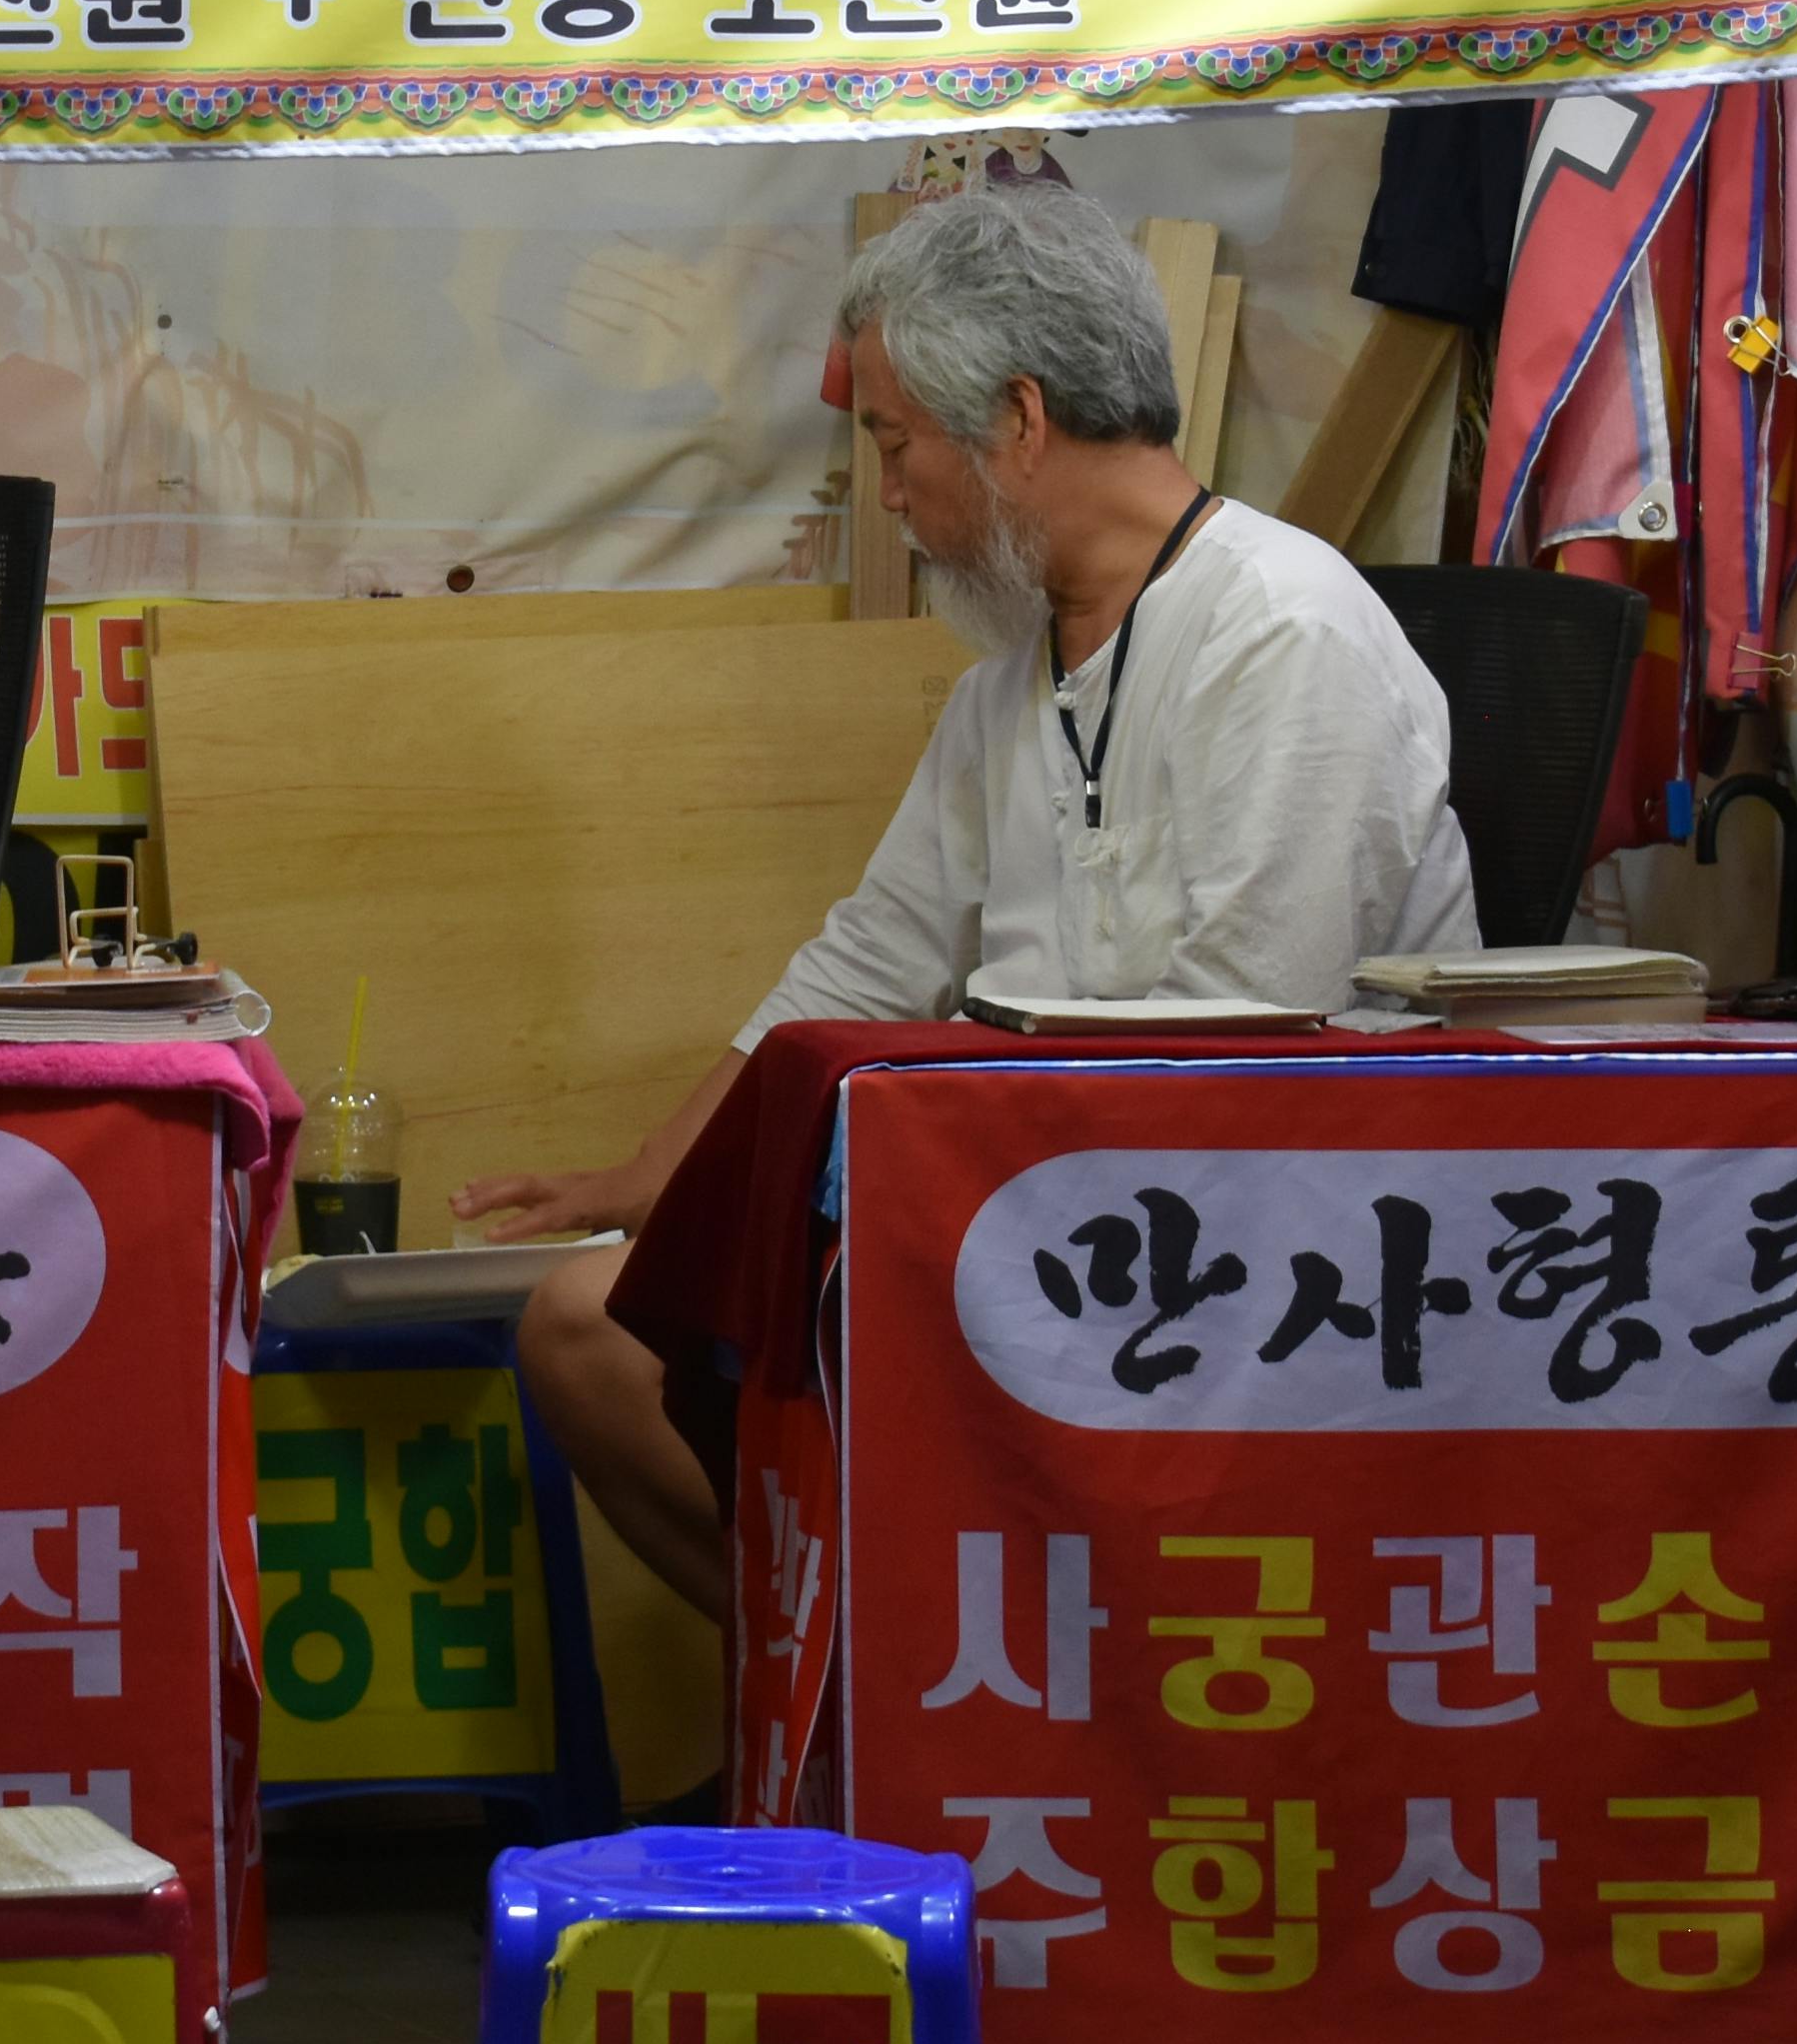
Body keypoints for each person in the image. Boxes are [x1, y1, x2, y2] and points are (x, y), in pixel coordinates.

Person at [454, 185, 1480, 1617]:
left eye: (891, 439)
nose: (889, 492)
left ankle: (926, 1701)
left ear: (1017, 416)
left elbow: (1248, 1055)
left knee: (692, 1325)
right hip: (1055, 1199)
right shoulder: (1013, 682)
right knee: (588, 1325)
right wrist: (651, 1179)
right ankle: (859, 1713)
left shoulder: (1286, 632)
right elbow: (869, 958)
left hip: (1263, 1253)